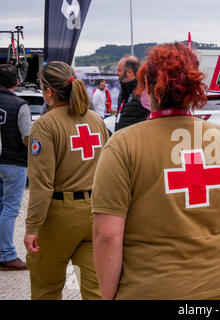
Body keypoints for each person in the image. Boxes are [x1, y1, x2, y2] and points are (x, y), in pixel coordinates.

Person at [92, 42, 220, 300]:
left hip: (147, 290)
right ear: (195, 86)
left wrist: (107, 296)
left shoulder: (122, 146)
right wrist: (219, 260)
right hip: (215, 289)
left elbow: (107, 234)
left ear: (147, 86)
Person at [24, 61, 109, 300]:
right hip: (94, 212)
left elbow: (42, 184)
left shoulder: (45, 125)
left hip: (59, 216)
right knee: (96, 291)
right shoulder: (96, 120)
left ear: (49, 92)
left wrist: (31, 227)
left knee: (46, 289)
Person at [0, 64, 32, 271]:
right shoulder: (20, 105)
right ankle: (7, 254)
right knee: (10, 210)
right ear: (17, 82)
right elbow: (27, 137)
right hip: (13, 163)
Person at [115, 55, 150, 131]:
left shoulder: (143, 92)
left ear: (129, 72)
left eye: (119, 70)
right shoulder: (124, 92)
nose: (117, 73)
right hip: (121, 140)